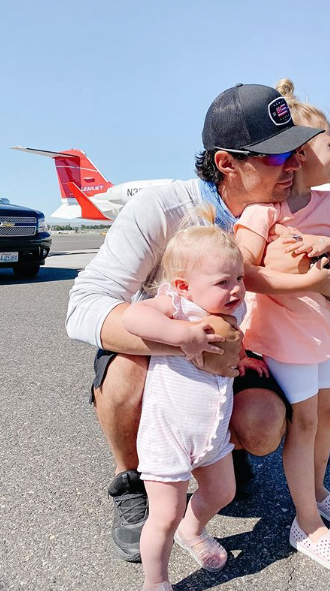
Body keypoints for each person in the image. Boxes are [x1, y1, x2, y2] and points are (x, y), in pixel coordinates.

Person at [66, 82, 330, 563]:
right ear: (228, 163)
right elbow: (84, 304)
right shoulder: (162, 209)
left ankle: (219, 448)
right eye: (276, 157)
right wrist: (186, 341)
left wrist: (323, 278)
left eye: (294, 152)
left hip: (248, 353)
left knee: (265, 425)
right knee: (125, 371)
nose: (293, 164)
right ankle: (132, 482)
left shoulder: (295, 210)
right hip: (167, 342)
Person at [233, 78, 330, 572]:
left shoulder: (329, 207)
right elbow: (242, 269)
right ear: (303, 151)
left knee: (329, 414)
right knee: (305, 423)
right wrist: (301, 279)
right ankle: (306, 523)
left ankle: (317, 489)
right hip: (283, 339)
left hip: (321, 335)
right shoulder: (262, 211)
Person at [121, 209, 268, 591]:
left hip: (211, 435)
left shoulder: (229, 311)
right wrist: (180, 333)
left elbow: (231, 342)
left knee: (223, 492)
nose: (236, 288)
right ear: (184, 286)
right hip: (169, 436)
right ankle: (156, 582)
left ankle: (194, 528)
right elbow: (134, 317)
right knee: (163, 515)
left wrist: (244, 356)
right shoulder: (177, 306)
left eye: (239, 278)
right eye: (224, 281)